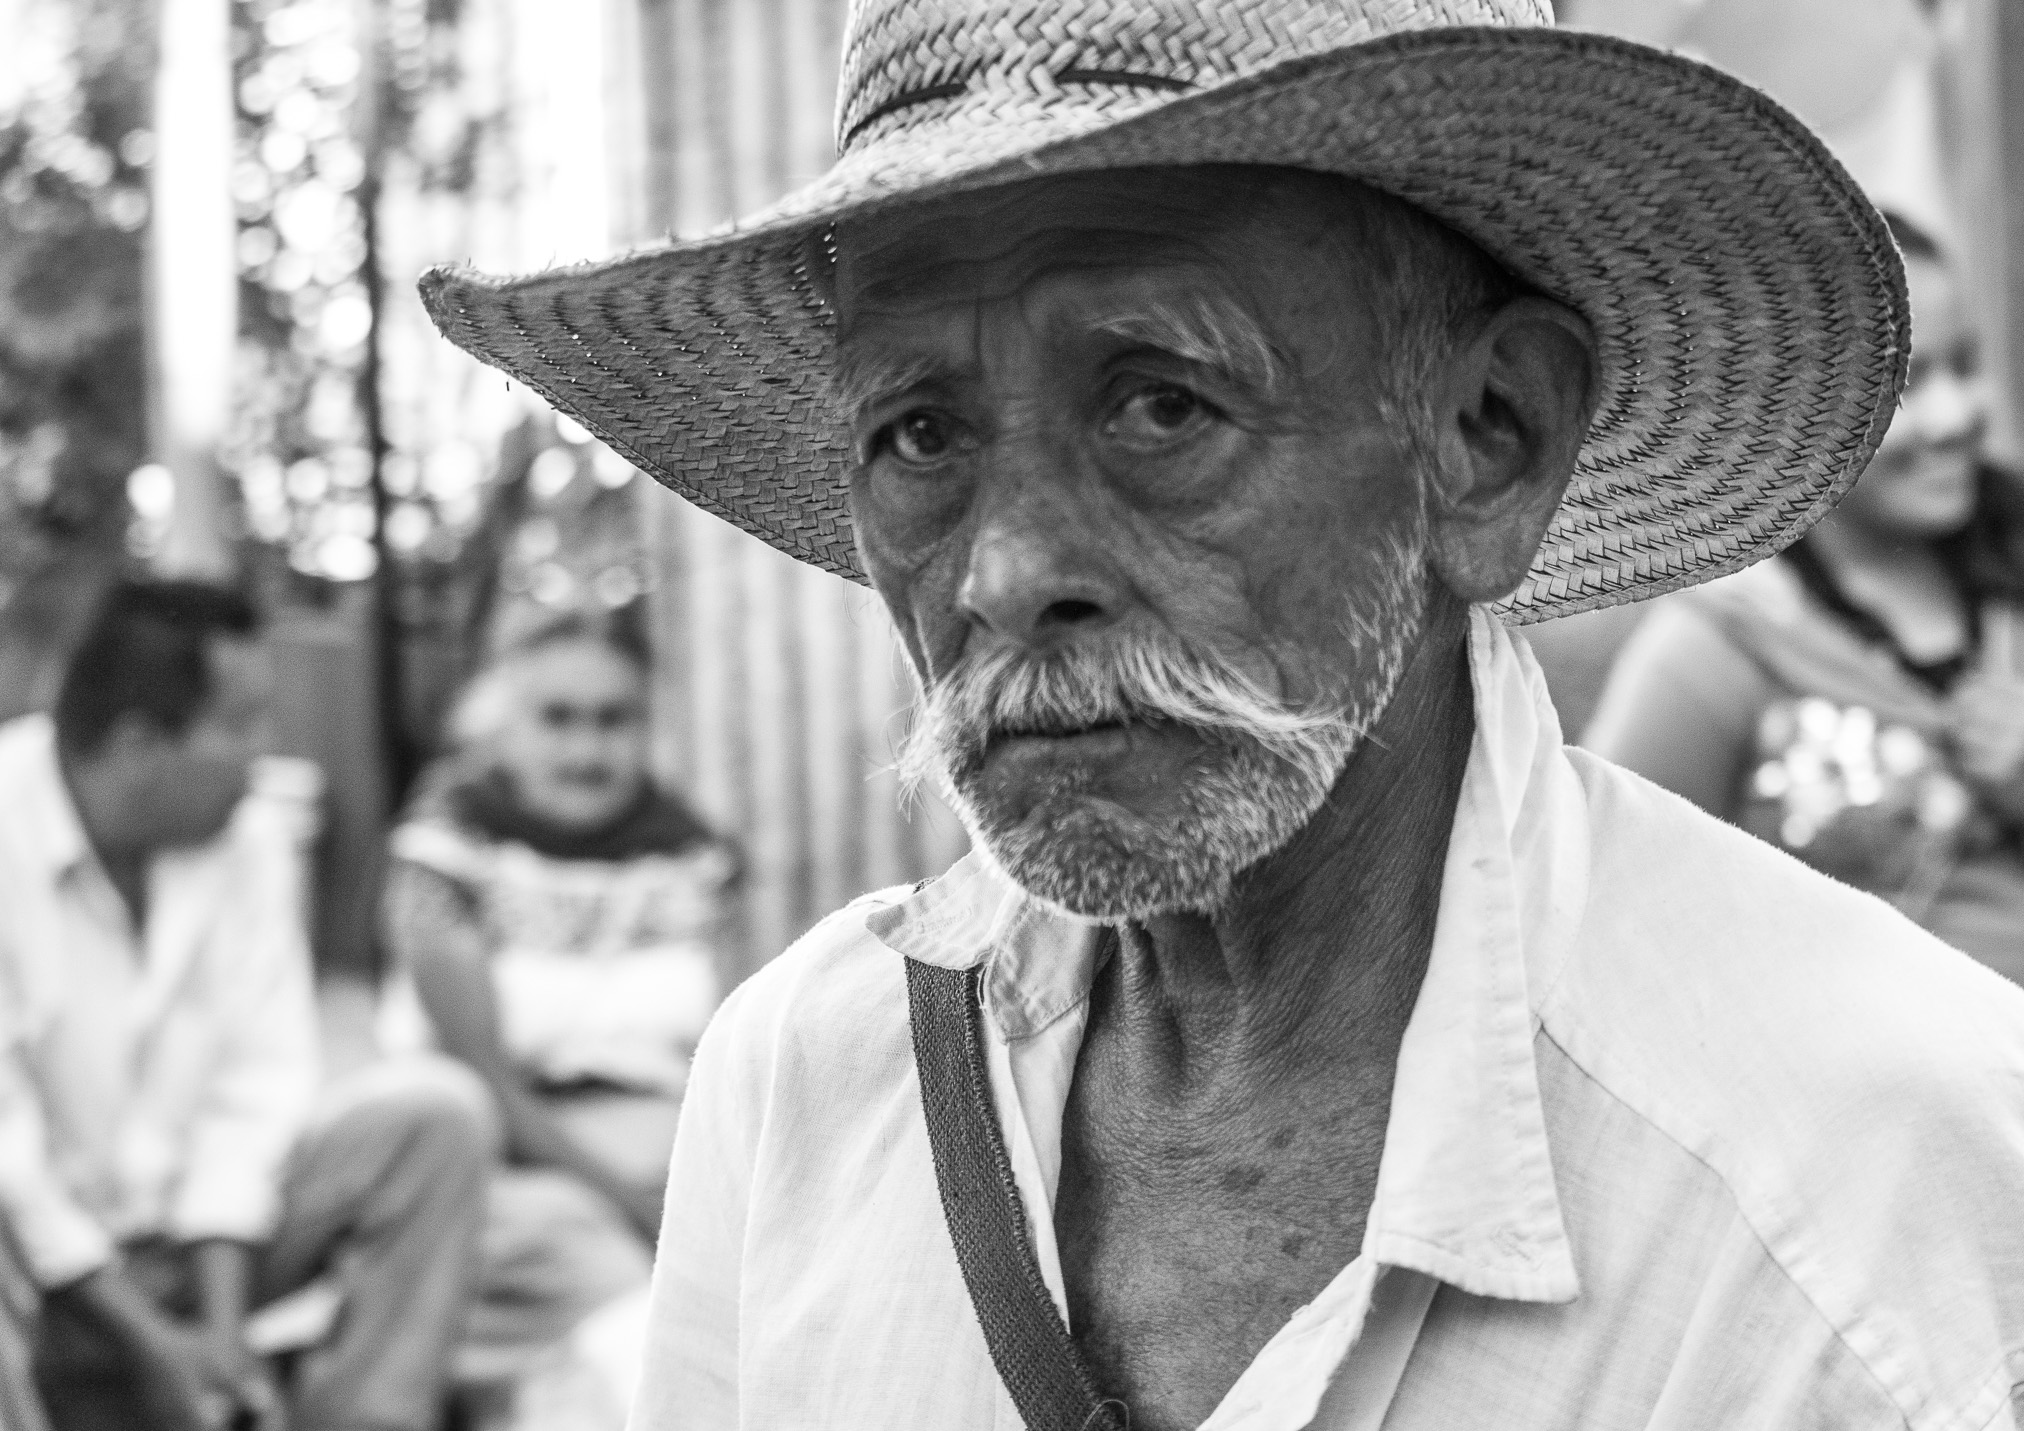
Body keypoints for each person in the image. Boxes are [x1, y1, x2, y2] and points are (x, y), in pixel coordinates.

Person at [420, 2, 2024, 1427]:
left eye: (1161, 401)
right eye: (917, 433)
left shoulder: (1880, 1189)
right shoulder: (800, 1084)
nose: (1005, 571)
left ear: (1489, 440)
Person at [0, 579, 492, 1431]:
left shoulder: (249, 836)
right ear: (139, 743)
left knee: (438, 1119)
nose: (264, 753)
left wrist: (218, 1344)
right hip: (40, 1282)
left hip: (200, 1250)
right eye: (240, 724)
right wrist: (154, 1344)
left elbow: (256, 1091)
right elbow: (11, 1165)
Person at [1584, 217, 2024, 980]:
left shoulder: (2009, 565)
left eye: (1966, 364)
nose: (1956, 418)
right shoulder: (1723, 646)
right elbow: (1605, 903)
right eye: (1909, 384)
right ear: (1804, 409)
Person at [378, 604, 734, 1413]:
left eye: (614, 720)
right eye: (557, 718)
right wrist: (641, 1208)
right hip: (515, 1183)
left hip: (673, 1177)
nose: (586, 749)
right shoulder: (443, 860)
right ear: (503, 724)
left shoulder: (693, 857)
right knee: (638, 1350)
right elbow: (482, 1084)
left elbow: (731, 1052)